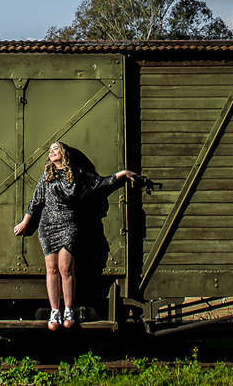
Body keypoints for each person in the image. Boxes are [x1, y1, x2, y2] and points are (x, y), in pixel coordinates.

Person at [13, 141, 142, 330]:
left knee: (65, 269)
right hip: (48, 226)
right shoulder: (47, 176)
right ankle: (54, 312)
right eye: (50, 150)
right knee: (51, 269)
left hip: (68, 225)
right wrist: (25, 222)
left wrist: (122, 174)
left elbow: (101, 183)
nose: (52, 152)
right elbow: (36, 201)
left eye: (55, 148)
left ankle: (68, 311)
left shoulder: (78, 173)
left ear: (63, 152)